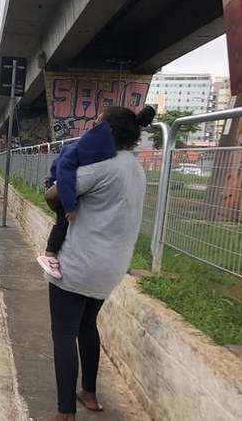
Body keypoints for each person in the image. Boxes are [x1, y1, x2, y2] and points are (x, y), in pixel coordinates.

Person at [45, 105, 155, 421]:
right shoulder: (136, 169)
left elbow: (54, 196)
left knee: (63, 333)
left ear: (105, 133)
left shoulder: (101, 167)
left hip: (78, 265)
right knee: (86, 324)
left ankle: (65, 412)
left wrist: (53, 188)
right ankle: (89, 393)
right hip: (111, 268)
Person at [36, 116, 122, 278]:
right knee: (63, 221)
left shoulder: (83, 146)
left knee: (65, 222)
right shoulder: (84, 150)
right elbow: (66, 175)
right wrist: (70, 206)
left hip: (57, 181)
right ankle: (49, 255)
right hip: (60, 184)